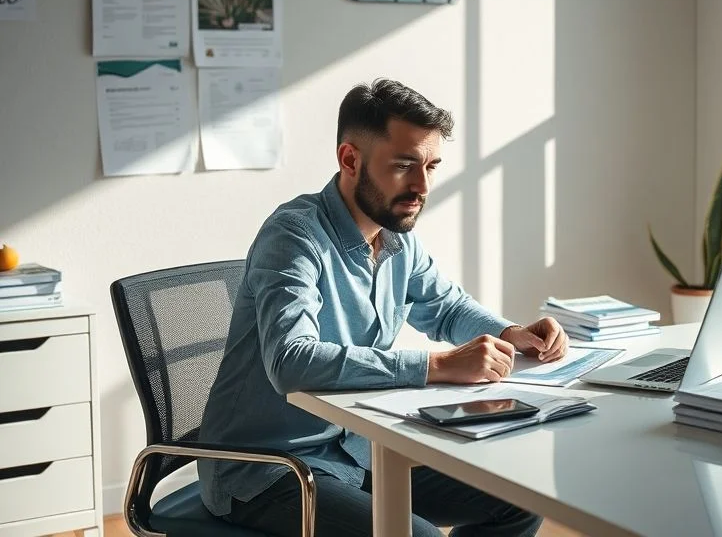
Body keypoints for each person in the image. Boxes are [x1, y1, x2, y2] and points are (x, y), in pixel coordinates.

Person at [199, 78, 568, 537]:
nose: (422, 185)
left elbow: (447, 308)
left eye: (431, 166)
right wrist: (435, 366)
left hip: (355, 451)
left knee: (518, 500)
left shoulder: (396, 237)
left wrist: (511, 333)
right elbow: (290, 361)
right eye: (403, 165)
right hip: (270, 468)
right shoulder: (293, 237)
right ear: (350, 160)